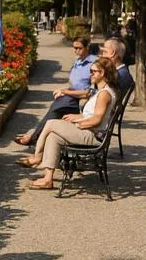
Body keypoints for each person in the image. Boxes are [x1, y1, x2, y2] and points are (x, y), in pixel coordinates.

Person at [17, 56, 118, 189]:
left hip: (93, 135)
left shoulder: (104, 94)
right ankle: (47, 179)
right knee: (53, 136)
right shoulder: (99, 91)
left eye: (93, 71)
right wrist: (75, 117)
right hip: (88, 131)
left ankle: (37, 156)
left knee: (51, 123)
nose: (90, 74)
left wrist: (78, 124)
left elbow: (96, 120)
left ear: (102, 73)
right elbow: (90, 115)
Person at [14, 36, 95, 146]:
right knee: (56, 106)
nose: (76, 51)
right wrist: (63, 90)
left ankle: (34, 136)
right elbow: (74, 84)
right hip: (72, 95)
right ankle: (37, 134)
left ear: (87, 47)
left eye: (79, 48)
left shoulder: (93, 64)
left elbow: (89, 91)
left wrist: (66, 92)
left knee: (57, 107)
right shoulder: (78, 62)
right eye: (74, 48)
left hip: (83, 99)